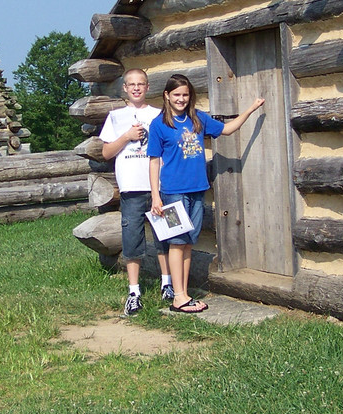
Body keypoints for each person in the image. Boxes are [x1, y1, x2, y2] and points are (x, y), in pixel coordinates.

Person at [147, 74, 265, 313]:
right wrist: (156, 196)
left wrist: (252, 108)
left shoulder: (198, 118)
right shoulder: (159, 124)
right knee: (176, 243)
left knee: (188, 243)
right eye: (176, 95)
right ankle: (178, 297)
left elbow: (228, 129)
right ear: (166, 96)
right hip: (172, 193)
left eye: (185, 95)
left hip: (197, 190)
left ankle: (184, 293)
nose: (181, 99)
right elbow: (153, 161)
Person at [99, 68, 172, 316]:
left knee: (164, 237)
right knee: (132, 239)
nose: (137, 88)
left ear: (147, 87)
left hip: (160, 187)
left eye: (141, 84)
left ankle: (167, 284)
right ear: (125, 89)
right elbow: (107, 153)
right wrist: (127, 136)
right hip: (131, 188)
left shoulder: (159, 114)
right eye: (132, 85)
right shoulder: (115, 117)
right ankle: (134, 292)